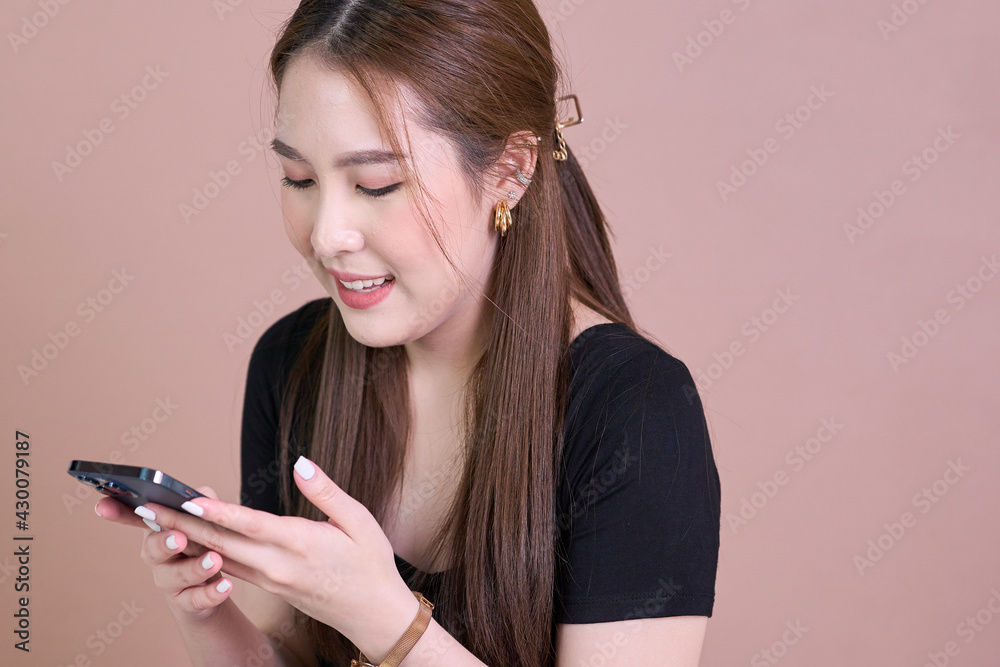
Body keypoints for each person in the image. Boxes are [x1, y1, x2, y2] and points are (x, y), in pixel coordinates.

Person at [95, 1, 722, 665]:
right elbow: (289, 651)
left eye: (376, 184)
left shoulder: (636, 411)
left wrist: (382, 615)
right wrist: (205, 608)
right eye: (299, 178)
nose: (327, 235)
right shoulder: (290, 362)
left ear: (511, 171)